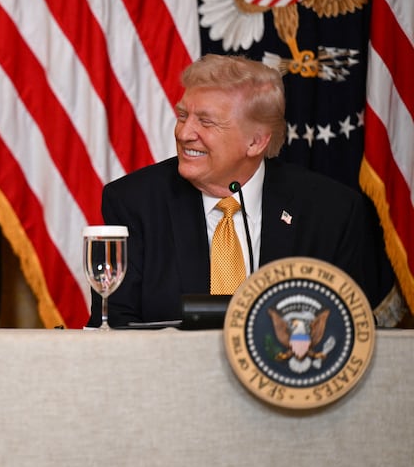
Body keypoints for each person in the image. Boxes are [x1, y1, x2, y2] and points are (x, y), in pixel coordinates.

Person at [89, 54, 394, 328]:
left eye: (205, 122)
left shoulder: (331, 211)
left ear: (256, 142)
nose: (183, 133)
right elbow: (115, 327)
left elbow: (344, 329)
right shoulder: (134, 202)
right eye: (183, 116)